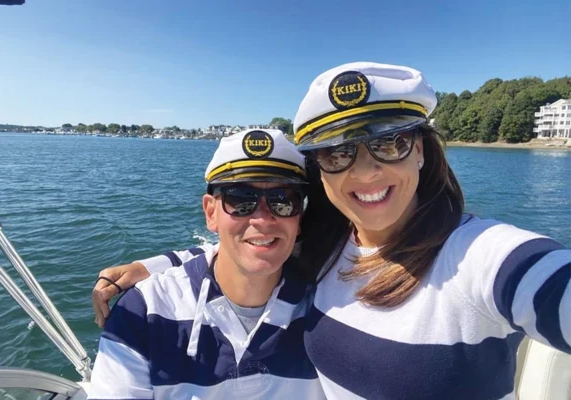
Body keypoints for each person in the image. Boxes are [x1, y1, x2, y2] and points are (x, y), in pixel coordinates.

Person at [93, 62, 571, 399]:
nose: (364, 172)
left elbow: (542, 282)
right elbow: (248, 242)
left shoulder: (478, 257)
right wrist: (154, 267)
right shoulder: (326, 250)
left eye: (390, 143)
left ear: (422, 150)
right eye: (339, 153)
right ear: (323, 171)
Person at [89, 129, 324, 399]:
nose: (262, 219)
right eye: (241, 200)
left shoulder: (328, 301)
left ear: (300, 217)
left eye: (283, 201)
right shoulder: (145, 312)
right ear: (211, 213)